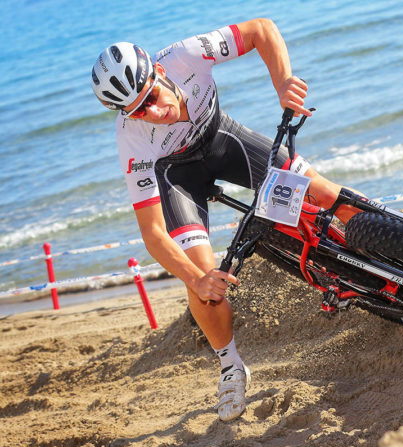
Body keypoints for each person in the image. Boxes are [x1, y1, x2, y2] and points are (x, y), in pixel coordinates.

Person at [91, 18, 358, 421]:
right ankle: (231, 365)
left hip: (223, 140)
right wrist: (197, 279)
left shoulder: (185, 56)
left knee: (321, 192)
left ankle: (386, 239)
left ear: (159, 71)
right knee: (203, 286)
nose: (155, 112)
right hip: (178, 178)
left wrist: (283, 82)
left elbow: (261, 30)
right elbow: (153, 233)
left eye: (152, 96)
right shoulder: (131, 138)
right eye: (140, 110)